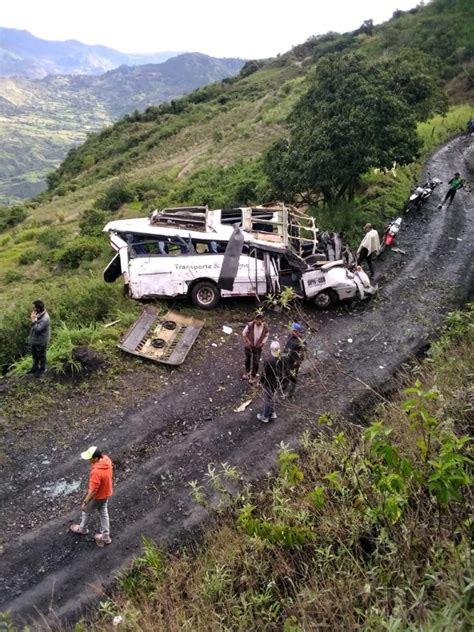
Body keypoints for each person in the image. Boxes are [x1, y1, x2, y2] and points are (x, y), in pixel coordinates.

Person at [70, 446, 113, 547]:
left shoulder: (96, 472)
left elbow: (93, 490)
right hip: (106, 492)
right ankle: (105, 537)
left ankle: (82, 529)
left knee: (85, 510)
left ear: (96, 458)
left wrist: (85, 502)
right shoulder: (106, 459)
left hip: (97, 497)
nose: (88, 459)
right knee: (103, 512)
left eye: (90, 458)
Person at [257, 340, 283, 423]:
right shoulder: (281, 358)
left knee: (268, 399)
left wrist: (260, 381)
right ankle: (272, 413)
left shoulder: (268, 361)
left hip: (268, 383)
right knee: (271, 397)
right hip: (276, 382)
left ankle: (265, 416)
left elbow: (264, 373)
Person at [242, 312, 269, 382]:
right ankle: (247, 373)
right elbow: (244, 333)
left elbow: (267, 335)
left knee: (256, 362)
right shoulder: (250, 325)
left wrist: (263, 343)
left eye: (259, 319)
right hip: (249, 347)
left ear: (262, 320)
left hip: (258, 348)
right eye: (257, 319)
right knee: (247, 359)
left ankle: (253, 376)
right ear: (255, 319)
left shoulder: (265, 326)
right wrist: (247, 341)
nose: (258, 321)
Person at [282, 323, 306, 399]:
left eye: (292, 330)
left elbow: (303, 354)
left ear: (297, 331)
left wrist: (297, 363)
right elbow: (286, 346)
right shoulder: (290, 336)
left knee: (293, 377)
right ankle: (284, 384)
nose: (291, 331)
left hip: (294, 363)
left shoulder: (301, 342)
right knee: (285, 372)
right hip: (286, 360)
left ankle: (290, 393)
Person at [28, 300, 51, 375]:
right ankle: (35, 368)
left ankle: (42, 369)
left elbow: (37, 329)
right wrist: (34, 319)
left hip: (41, 340)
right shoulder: (37, 313)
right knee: (34, 355)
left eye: (34, 307)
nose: (33, 308)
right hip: (35, 339)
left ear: (38, 308)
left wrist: (33, 320)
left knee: (41, 355)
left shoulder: (45, 318)